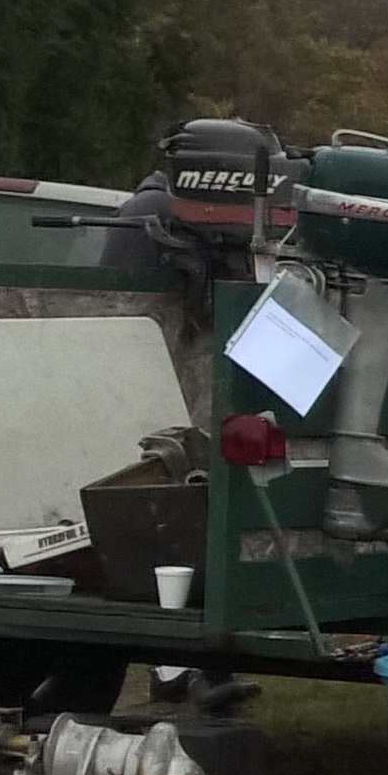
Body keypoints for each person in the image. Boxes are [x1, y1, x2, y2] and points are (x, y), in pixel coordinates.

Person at [101, 170, 262, 717]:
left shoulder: (141, 212)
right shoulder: (164, 218)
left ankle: (179, 669)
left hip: (139, 382)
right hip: (172, 386)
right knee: (186, 504)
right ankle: (185, 668)